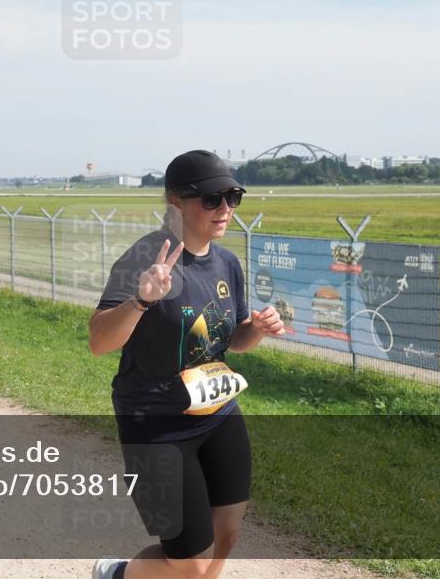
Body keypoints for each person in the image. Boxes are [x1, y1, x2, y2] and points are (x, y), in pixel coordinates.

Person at [89, 150, 286, 579]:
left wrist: (257, 327)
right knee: (189, 561)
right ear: (175, 202)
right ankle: (118, 575)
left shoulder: (226, 262)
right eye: (212, 199)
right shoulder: (144, 257)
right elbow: (99, 341)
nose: (225, 209)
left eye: (233, 197)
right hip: (156, 425)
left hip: (218, 414)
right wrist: (141, 300)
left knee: (227, 534)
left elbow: (232, 339)